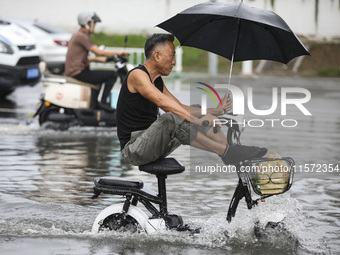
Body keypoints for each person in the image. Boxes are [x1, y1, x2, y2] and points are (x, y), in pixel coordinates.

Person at [116, 33, 267, 166]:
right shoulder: (137, 75)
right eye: (172, 55)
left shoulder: (157, 81)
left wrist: (215, 111)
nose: (174, 62)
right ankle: (225, 152)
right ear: (157, 56)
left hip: (152, 143)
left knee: (195, 111)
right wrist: (195, 121)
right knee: (171, 119)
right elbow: (163, 103)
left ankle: (228, 149)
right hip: (134, 149)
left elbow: (179, 106)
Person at [65, 11, 129, 111]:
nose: (94, 26)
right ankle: (103, 103)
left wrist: (107, 59)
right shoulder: (82, 36)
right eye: (93, 23)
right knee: (112, 75)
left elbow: (88, 57)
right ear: (87, 23)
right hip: (78, 73)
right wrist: (119, 52)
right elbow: (98, 51)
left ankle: (94, 106)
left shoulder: (78, 34)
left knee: (99, 77)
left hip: (76, 71)